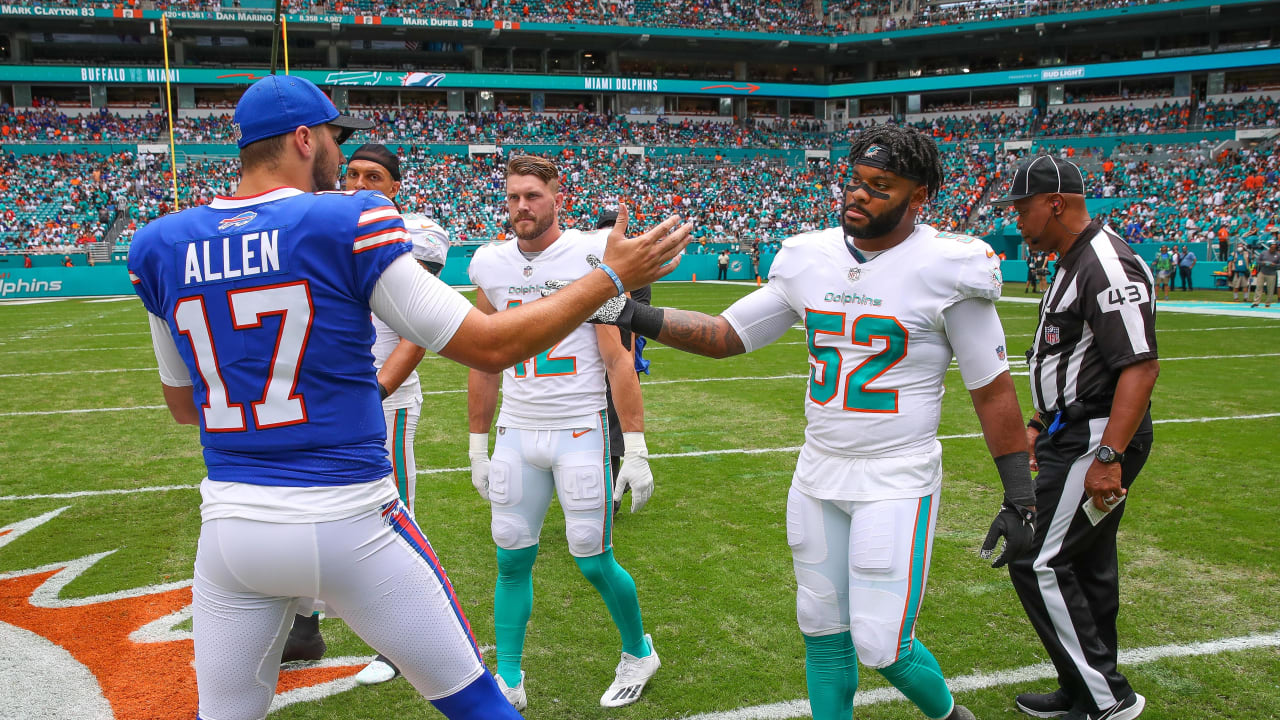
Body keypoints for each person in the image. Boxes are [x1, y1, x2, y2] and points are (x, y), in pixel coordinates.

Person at [126, 75, 689, 720]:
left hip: (231, 529)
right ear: (306, 140)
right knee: (478, 704)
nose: (343, 160)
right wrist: (612, 277)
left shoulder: (161, 243)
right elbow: (489, 347)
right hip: (348, 517)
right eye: (337, 141)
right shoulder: (347, 220)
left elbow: (180, 405)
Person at [569, 126, 1037, 720]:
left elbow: (992, 392)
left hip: (896, 474)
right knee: (820, 629)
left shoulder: (951, 266)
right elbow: (727, 335)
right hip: (818, 471)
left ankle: (951, 717)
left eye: (879, 187)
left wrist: (1020, 496)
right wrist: (631, 310)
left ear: (917, 199)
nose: (858, 197)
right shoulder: (809, 257)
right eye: (854, 182)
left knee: (880, 643)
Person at [466, 155, 661, 711]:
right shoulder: (490, 262)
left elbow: (618, 360)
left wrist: (638, 448)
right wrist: (477, 444)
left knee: (592, 556)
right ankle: (507, 676)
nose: (521, 207)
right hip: (517, 429)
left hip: (580, 426)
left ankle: (638, 651)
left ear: (558, 196)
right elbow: (482, 358)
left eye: (532, 195)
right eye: (512, 197)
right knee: (510, 555)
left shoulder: (590, 256)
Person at [989, 155, 1158, 720]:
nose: (1016, 219)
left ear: (1054, 203)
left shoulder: (1106, 264)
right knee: (1086, 562)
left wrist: (1108, 456)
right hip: (1071, 430)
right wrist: (1040, 421)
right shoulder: (1068, 260)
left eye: (1022, 207)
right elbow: (1069, 360)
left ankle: (1109, 701)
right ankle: (1083, 689)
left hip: (1098, 434)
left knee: (1037, 557)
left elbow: (1139, 367)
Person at [596, 208, 654, 517]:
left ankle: (613, 494)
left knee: (616, 424)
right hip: (593, 358)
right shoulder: (589, 268)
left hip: (622, 354)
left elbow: (639, 316)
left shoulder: (638, 275)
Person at [1252, 239, 1279, 307]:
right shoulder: (1264, 253)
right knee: (1259, 287)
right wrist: (1262, 263)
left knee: (1270, 289)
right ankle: (1256, 302)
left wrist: (1275, 265)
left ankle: (1268, 303)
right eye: (1272, 247)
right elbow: (1258, 261)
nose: (1273, 249)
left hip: (1272, 273)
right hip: (1262, 272)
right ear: (1269, 247)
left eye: (1274, 247)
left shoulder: (1278, 255)